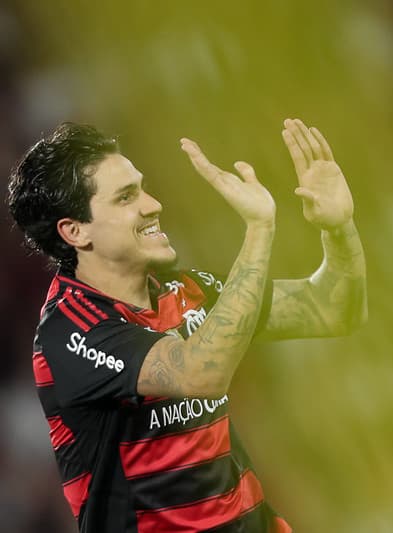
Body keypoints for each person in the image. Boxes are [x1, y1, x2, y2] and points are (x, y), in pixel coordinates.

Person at [6, 118, 367, 532]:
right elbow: (200, 371)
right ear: (76, 231)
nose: (152, 204)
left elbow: (335, 309)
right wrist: (259, 230)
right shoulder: (70, 331)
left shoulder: (186, 288)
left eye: (142, 188)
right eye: (126, 198)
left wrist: (338, 228)